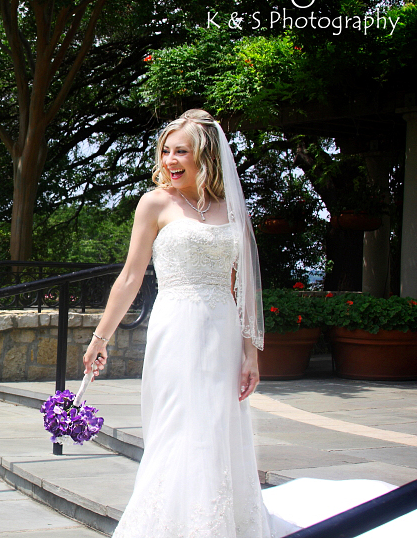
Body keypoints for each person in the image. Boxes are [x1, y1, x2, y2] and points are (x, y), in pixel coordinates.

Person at [83, 109, 274, 538]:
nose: (170, 159)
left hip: (222, 333)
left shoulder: (232, 209)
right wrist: (101, 337)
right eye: (166, 150)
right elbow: (130, 277)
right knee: (178, 426)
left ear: (204, 156)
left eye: (181, 151)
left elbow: (241, 288)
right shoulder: (155, 203)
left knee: (216, 427)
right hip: (176, 331)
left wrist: (250, 354)